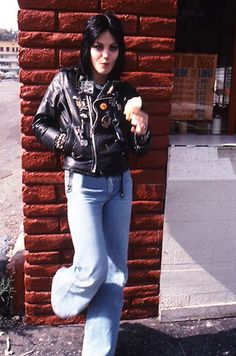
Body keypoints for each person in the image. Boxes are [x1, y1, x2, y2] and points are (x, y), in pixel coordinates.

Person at [32, 11, 151, 356]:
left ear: (119, 52)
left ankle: (99, 351)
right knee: (94, 267)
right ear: (88, 47)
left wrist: (142, 132)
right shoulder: (65, 82)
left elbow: (138, 150)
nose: (105, 55)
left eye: (113, 48)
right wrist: (67, 142)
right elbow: (40, 123)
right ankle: (63, 291)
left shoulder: (125, 92)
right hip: (82, 185)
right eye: (99, 46)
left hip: (119, 187)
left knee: (115, 274)